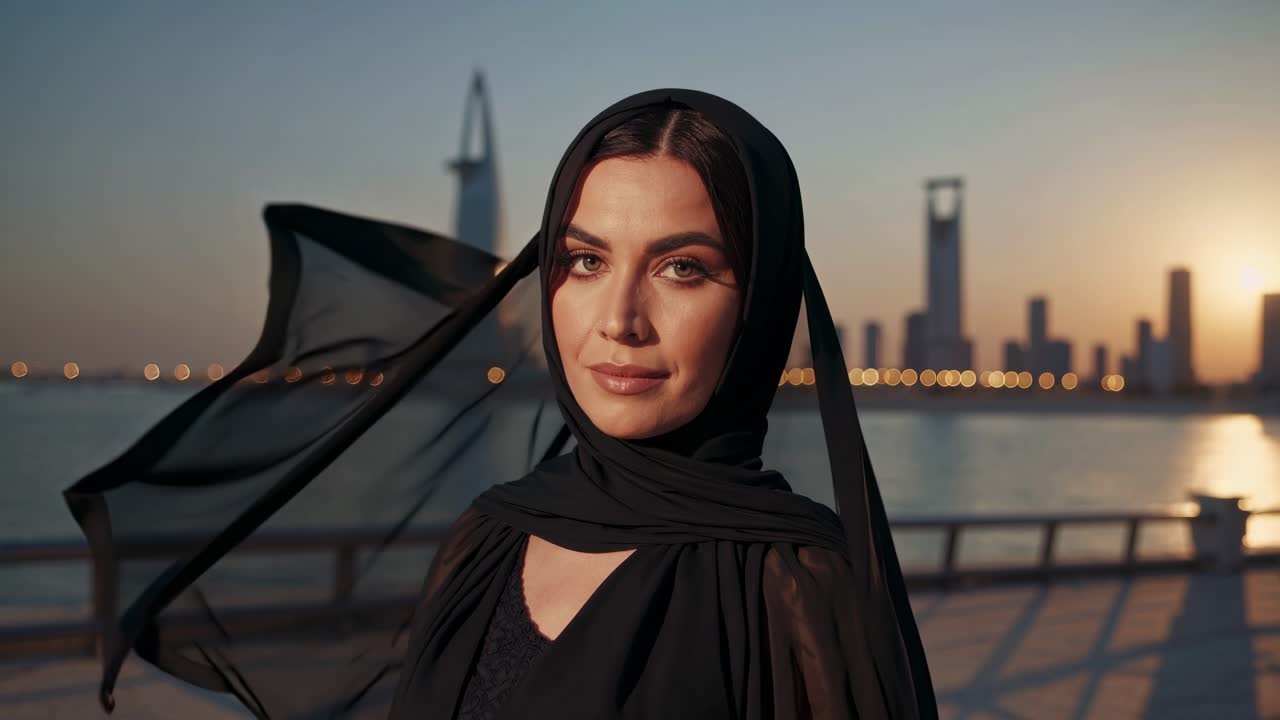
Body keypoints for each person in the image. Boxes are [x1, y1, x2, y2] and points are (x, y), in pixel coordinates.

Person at [65, 89, 936, 719]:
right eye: (585, 261)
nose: (619, 320)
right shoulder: (492, 534)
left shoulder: (798, 583)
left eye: (682, 268)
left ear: (761, 303)